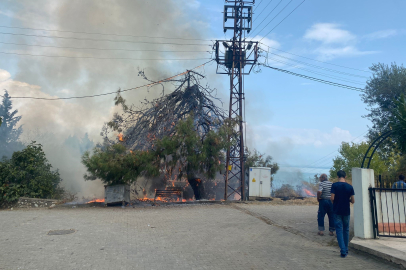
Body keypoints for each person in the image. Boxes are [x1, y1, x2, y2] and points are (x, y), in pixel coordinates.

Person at [331, 170, 354, 258]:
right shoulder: (350, 187)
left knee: (339, 230)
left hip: (337, 210)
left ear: (337, 176)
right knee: (346, 230)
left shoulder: (334, 185)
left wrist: (336, 202)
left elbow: (332, 198)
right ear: (346, 176)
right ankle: (346, 248)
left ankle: (343, 250)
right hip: (346, 211)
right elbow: (353, 200)